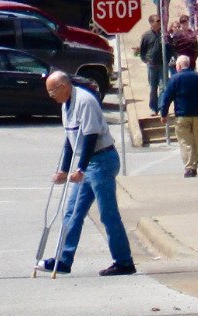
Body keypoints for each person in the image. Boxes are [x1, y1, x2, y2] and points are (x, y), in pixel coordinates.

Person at [39, 71, 137, 276]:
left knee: (107, 213)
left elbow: (90, 136)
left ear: (63, 87)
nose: (51, 96)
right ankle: (63, 259)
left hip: (102, 160)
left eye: (52, 91)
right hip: (89, 162)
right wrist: (64, 170)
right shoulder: (66, 105)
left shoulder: (85, 101)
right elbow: (70, 140)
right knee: (72, 211)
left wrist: (80, 169)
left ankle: (124, 262)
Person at [161, 55, 198, 177]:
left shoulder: (175, 79)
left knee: (185, 142)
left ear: (178, 66)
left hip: (182, 115)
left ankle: (189, 167)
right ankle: (194, 166)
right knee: (195, 141)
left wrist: (164, 113)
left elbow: (167, 97)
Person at [138, 14, 165, 121]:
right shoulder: (146, 35)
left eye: (160, 20)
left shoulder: (163, 34)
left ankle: (162, 107)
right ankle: (153, 108)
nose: (159, 23)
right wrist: (146, 60)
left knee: (163, 87)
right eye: (157, 21)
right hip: (152, 65)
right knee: (153, 87)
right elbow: (142, 51)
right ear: (151, 23)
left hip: (163, 64)